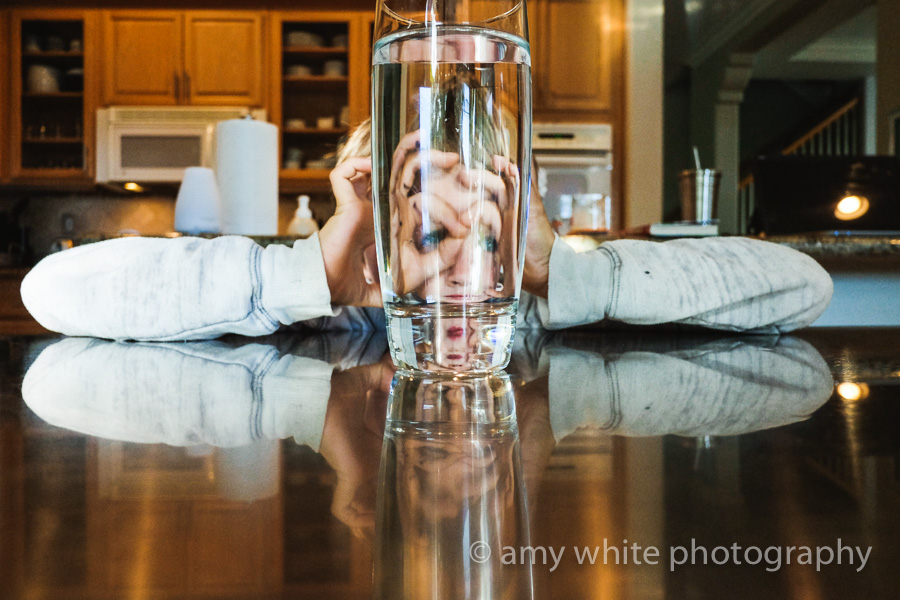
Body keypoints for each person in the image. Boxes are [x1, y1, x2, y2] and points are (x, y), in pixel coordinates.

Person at [20, 120, 833, 341]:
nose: (443, 262)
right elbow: (51, 291)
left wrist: (561, 274)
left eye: (474, 224)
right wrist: (313, 278)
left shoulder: (536, 306)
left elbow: (802, 284)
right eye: (421, 223)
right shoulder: (331, 309)